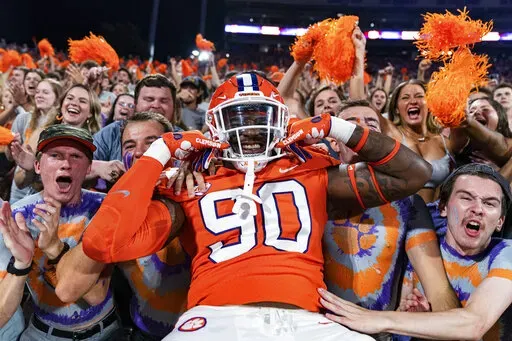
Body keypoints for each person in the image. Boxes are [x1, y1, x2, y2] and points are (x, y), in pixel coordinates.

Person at [81, 73, 431, 341]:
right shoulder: (192, 180)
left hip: (309, 321)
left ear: (281, 119)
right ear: (214, 125)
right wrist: (161, 150)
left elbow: (414, 174)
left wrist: (336, 126)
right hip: (213, 323)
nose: (250, 128)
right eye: (239, 118)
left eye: (260, 115)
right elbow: (101, 241)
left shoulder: (312, 171)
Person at [318, 163, 512, 341]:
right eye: (466, 198)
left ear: (501, 221)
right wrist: (415, 322)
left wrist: (378, 319)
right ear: (443, 207)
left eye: (489, 203)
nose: (477, 209)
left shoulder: (506, 254)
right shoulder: (417, 249)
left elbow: (474, 324)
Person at [323, 100, 458, 333]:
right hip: (317, 333)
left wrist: (433, 321)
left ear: (384, 141)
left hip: (381, 335)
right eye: (351, 124)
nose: (362, 128)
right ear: (335, 139)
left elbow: (439, 290)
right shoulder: (312, 193)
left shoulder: (409, 205)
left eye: (371, 123)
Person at [0, 124, 121, 340]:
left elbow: (96, 295)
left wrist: (54, 247)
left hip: (105, 333)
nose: (66, 164)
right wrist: (21, 263)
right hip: (43, 334)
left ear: (88, 168)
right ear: (37, 165)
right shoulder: (16, 219)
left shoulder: (105, 209)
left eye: (76, 156)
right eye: (55, 155)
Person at [93, 74, 182, 162]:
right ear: (136, 104)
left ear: (174, 106)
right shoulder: (111, 133)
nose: (156, 105)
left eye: (164, 101)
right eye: (149, 99)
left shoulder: (185, 141)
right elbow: (83, 163)